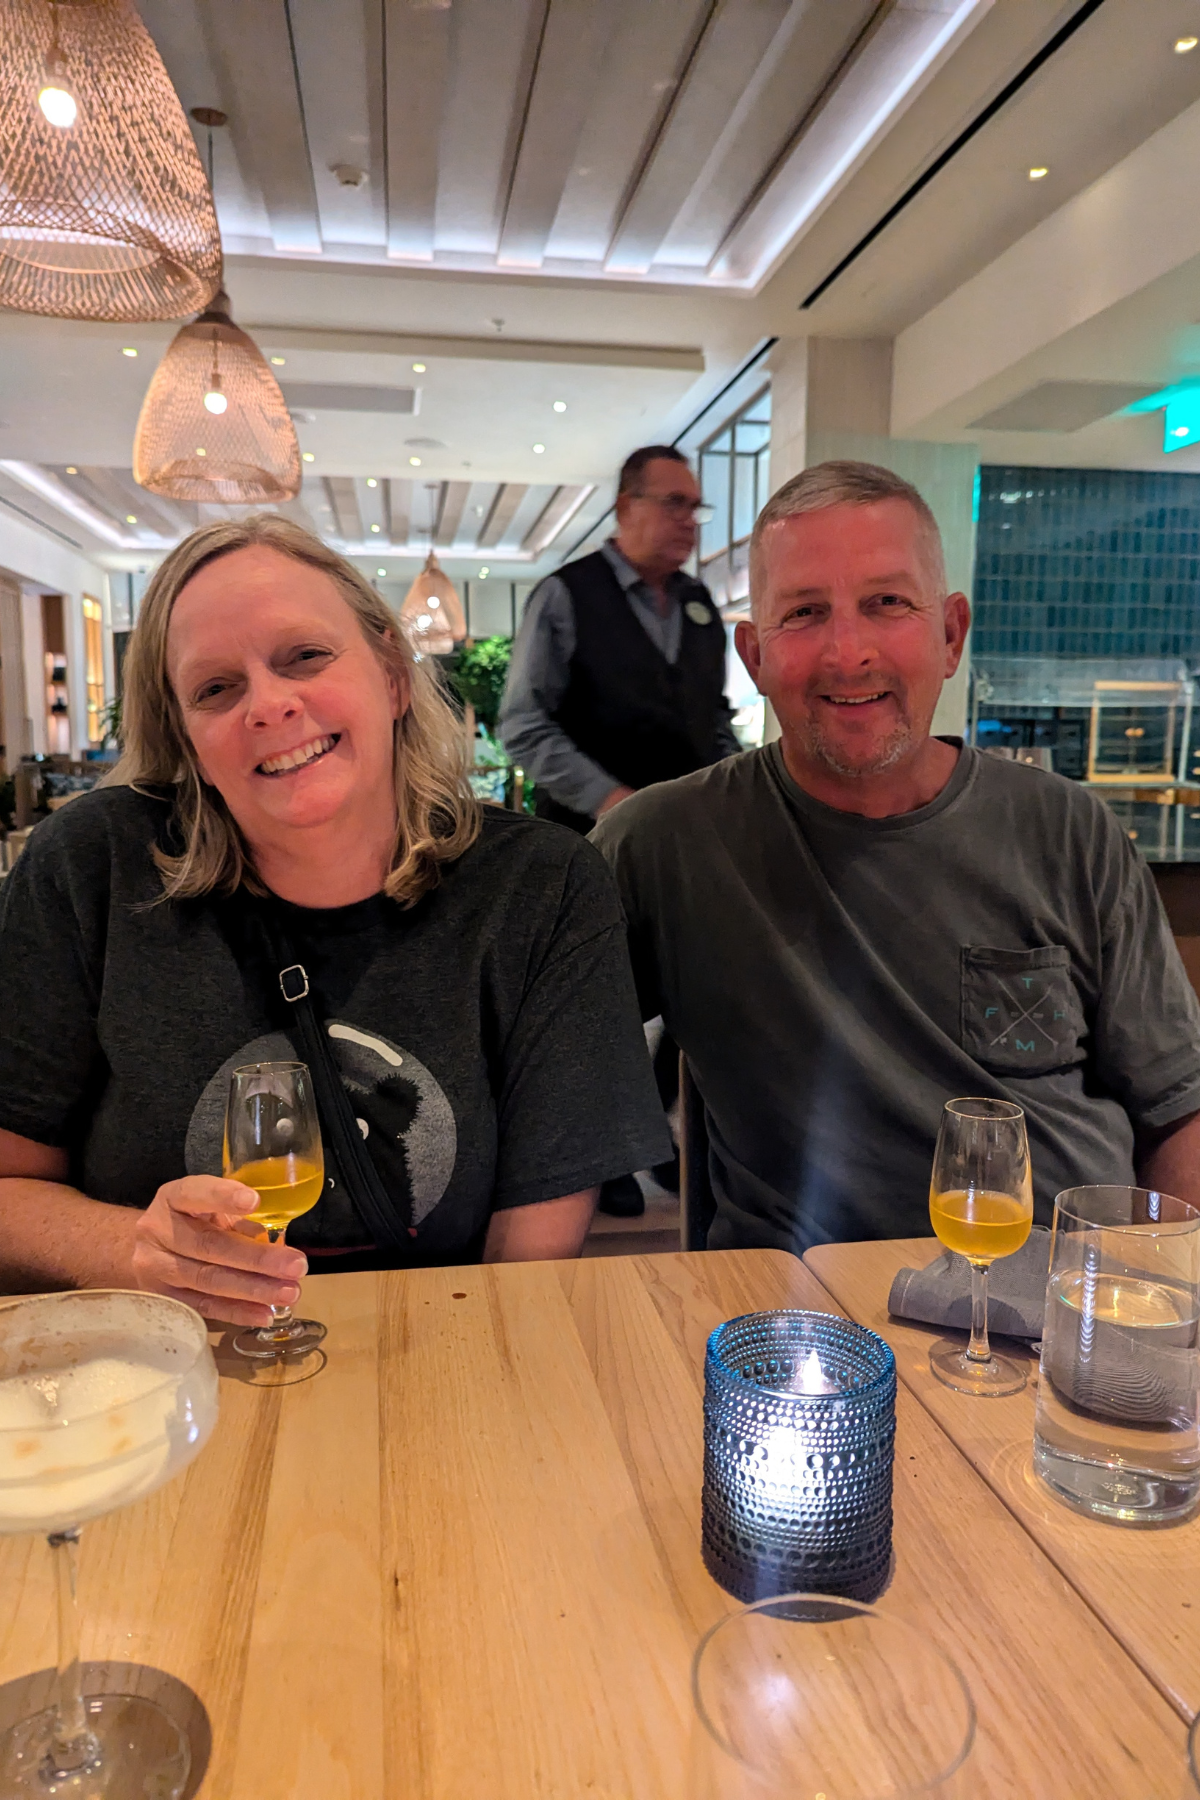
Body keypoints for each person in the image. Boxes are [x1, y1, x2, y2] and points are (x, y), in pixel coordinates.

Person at [0, 516, 669, 1328]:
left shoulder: (540, 887)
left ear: (391, 673)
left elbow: (527, 1266)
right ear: (186, 739)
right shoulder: (92, 868)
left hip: (443, 1355)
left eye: (304, 656)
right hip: (161, 1376)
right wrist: (133, 1248)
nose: (270, 706)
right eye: (216, 688)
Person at [593, 460, 1200, 1254]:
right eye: (806, 612)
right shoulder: (663, 844)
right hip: (801, 1322)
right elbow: (535, 1066)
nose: (849, 654)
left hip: (1062, 1294)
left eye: (886, 603)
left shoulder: (1067, 830)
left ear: (950, 633)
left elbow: (1175, 1106)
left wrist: (1163, 1301)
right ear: (755, 656)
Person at [499, 443, 740, 1214]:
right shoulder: (567, 597)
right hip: (585, 842)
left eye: (694, 507)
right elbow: (524, 724)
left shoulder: (702, 607)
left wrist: (743, 783)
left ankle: (659, 1139)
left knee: (690, 987)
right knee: (588, 1006)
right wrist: (614, 799)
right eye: (673, 504)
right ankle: (594, 1162)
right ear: (625, 506)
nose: (688, 522)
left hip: (691, 842)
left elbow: (715, 723)